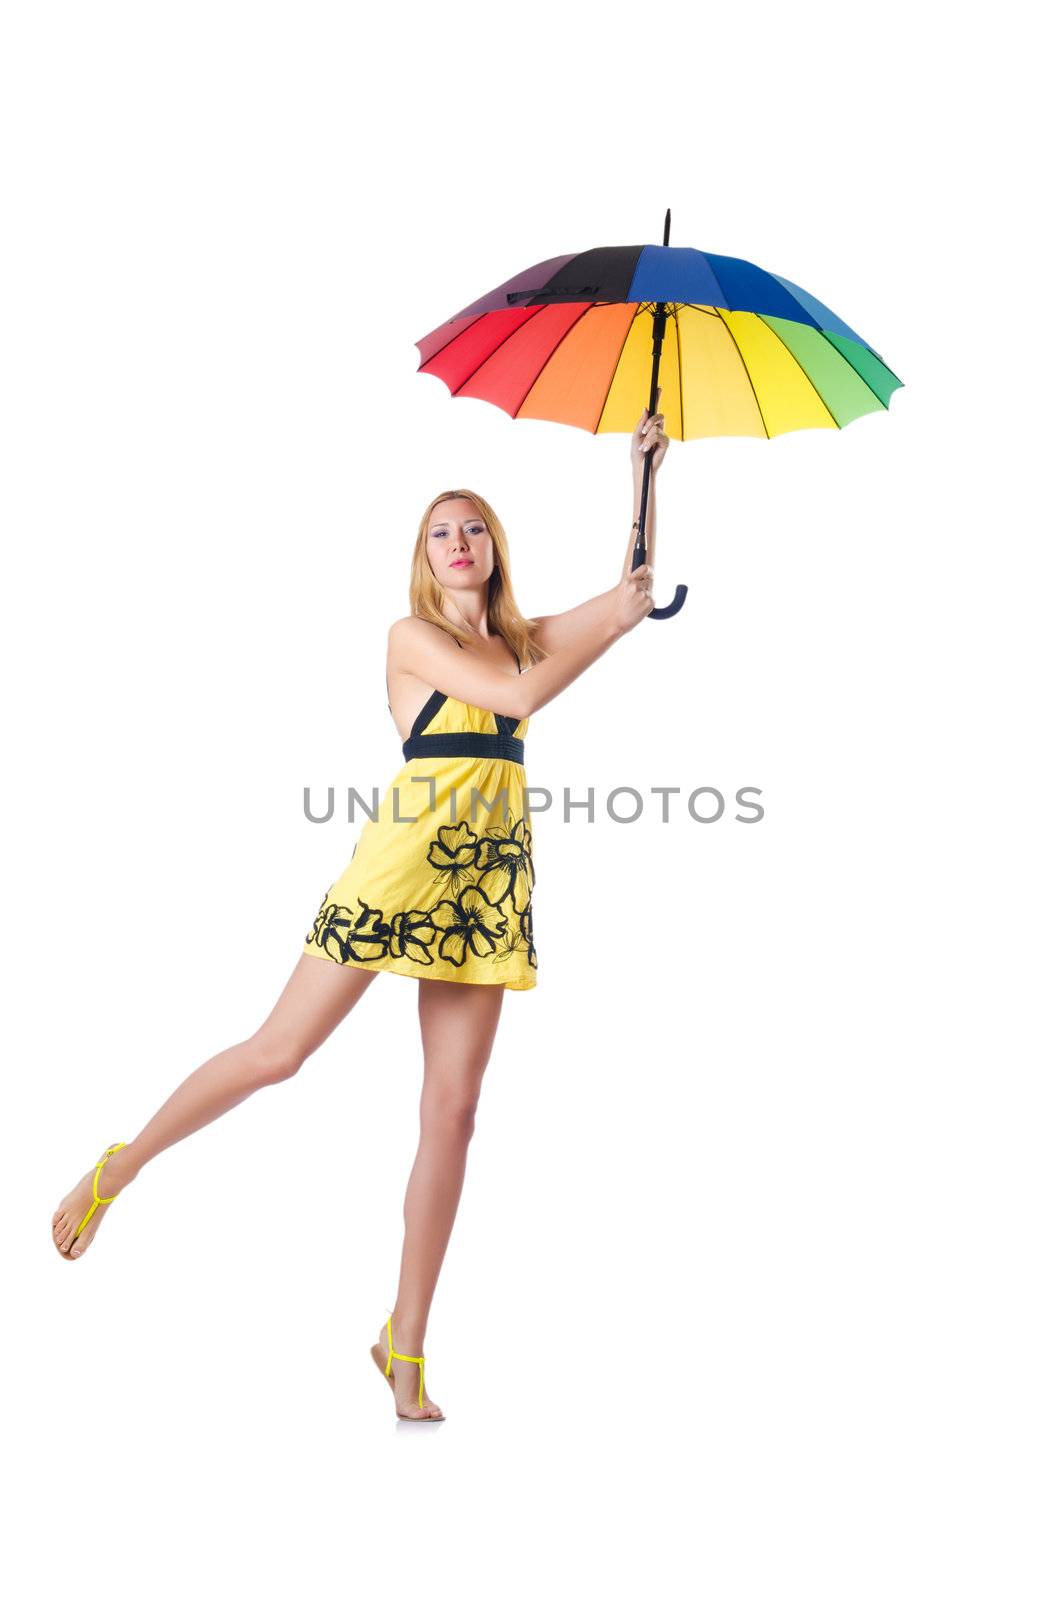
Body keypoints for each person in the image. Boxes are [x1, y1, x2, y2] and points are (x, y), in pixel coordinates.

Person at [51, 402, 670, 1419]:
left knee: (454, 1113)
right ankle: (121, 1165)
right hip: (397, 868)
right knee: (277, 1052)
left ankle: (406, 1342)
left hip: (484, 880)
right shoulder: (415, 638)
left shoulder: (518, 639)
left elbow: (614, 603)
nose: (461, 542)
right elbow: (519, 698)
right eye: (442, 531)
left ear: (495, 549)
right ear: (425, 561)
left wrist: (642, 483)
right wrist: (606, 624)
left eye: (474, 527)